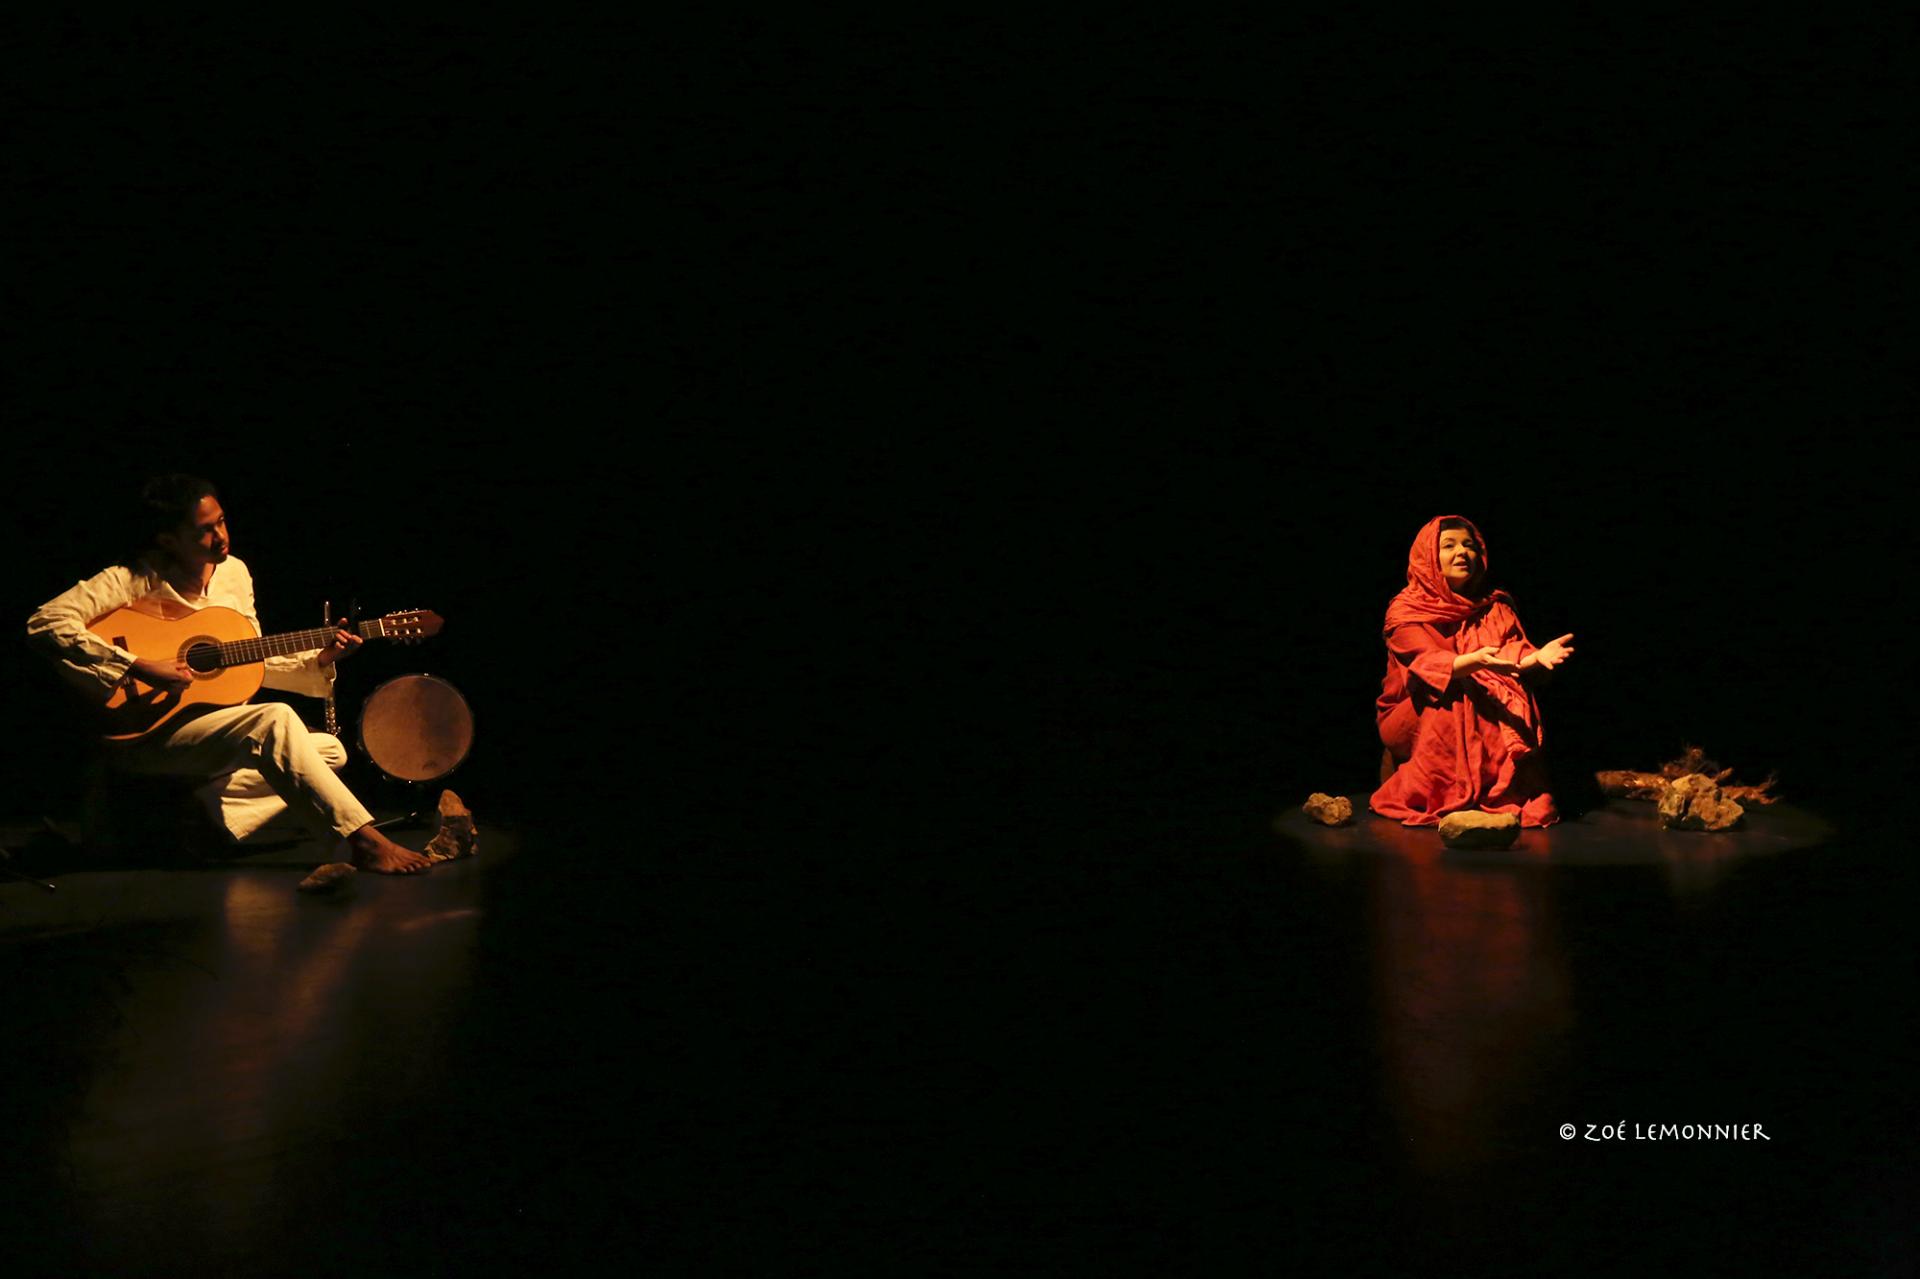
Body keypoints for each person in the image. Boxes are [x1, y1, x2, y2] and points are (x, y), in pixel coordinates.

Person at [25, 474, 434, 874]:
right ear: (168, 540)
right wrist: (138, 666)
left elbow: (244, 659)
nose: (220, 536)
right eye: (204, 531)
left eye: (221, 521)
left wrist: (321, 659)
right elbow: (45, 623)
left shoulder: (234, 573)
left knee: (329, 752)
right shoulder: (133, 579)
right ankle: (363, 841)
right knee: (274, 719)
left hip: (206, 731)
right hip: (142, 732)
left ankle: (202, 817)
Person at [1369, 514, 1575, 828]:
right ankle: (1440, 796)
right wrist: (1475, 663)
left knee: (1504, 691)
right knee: (1455, 690)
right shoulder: (1405, 611)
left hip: (1476, 695)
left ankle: (1497, 795)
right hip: (1410, 713)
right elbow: (1427, 663)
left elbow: (1511, 653)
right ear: (1428, 557)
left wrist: (1535, 658)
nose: (1462, 552)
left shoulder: (1494, 607)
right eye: (1449, 546)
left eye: (1469, 545)